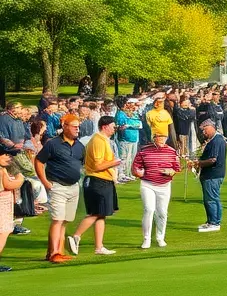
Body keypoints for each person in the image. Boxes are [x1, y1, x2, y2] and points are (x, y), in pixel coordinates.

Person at [35, 112, 85, 263]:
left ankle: (56, 251)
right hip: (57, 186)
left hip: (74, 187)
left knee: (65, 221)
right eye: (74, 126)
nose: (77, 129)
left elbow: (80, 164)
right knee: (57, 220)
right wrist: (45, 182)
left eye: (78, 127)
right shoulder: (53, 144)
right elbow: (38, 161)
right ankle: (55, 253)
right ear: (65, 126)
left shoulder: (80, 146)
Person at [68, 115, 120, 257]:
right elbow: (97, 165)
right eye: (112, 126)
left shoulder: (103, 140)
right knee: (96, 213)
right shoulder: (98, 140)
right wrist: (115, 163)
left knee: (102, 214)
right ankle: (76, 236)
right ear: (105, 126)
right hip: (98, 180)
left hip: (103, 180)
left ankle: (99, 247)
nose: (114, 129)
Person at [132, 131, 180, 248]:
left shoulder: (171, 151)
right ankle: (146, 239)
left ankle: (160, 237)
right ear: (154, 138)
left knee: (162, 213)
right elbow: (135, 167)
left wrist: (172, 172)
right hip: (147, 184)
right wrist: (138, 173)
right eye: (159, 137)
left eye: (164, 137)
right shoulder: (144, 150)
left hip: (164, 185)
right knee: (149, 209)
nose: (162, 139)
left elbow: (177, 168)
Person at [194, 119, 227, 232]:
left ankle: (214, 222)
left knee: (211, 199)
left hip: (212, 174)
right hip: (214, 174)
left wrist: (198, 163)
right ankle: (212, 221)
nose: (204, 132)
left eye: (205, 129)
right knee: (213, 198)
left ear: (211, 127)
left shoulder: (216, 141)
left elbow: (213, 159)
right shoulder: (216, 139)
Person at [0, 145, 25, 271]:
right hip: (2, 205)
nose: (9, 157)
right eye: (5, 154)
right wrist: (20, 178)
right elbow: (9, 184)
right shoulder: (1, 170)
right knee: (3, 232)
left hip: (4, 204)